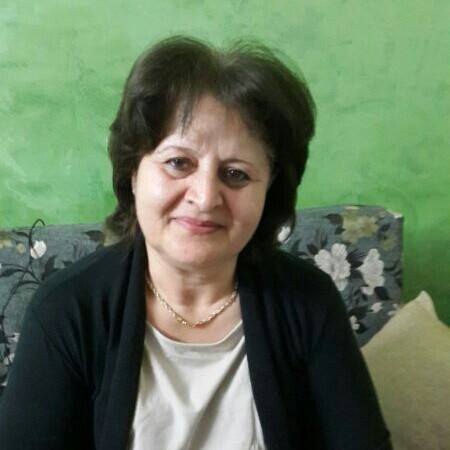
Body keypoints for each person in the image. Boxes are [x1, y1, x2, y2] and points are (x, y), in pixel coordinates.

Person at [0, 36, 392, 449]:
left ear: (269, 189)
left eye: (236, 174)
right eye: (178, 163)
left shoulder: (309, 304)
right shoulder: (67, 311)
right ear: (133, 172)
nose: (205, 197)